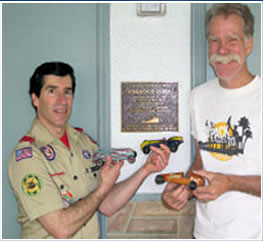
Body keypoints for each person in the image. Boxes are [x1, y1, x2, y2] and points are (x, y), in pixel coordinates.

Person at [8, 61, 171, 239]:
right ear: (35, 99)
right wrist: (102, 189)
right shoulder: (27, 157)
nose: (62, 101)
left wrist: (146, 169)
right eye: (52, 91)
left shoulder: (84, 143)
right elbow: (61, 228)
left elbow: (105, 205)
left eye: (67, 92)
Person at [162, 3, 261, 239]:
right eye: (214, 40)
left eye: (232, 40)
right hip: (205, 233)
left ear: (249, 44)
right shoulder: (198, 97)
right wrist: (184, 187)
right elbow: (201, 160)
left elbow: (226, 179)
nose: (222, 50)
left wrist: (230, 182)